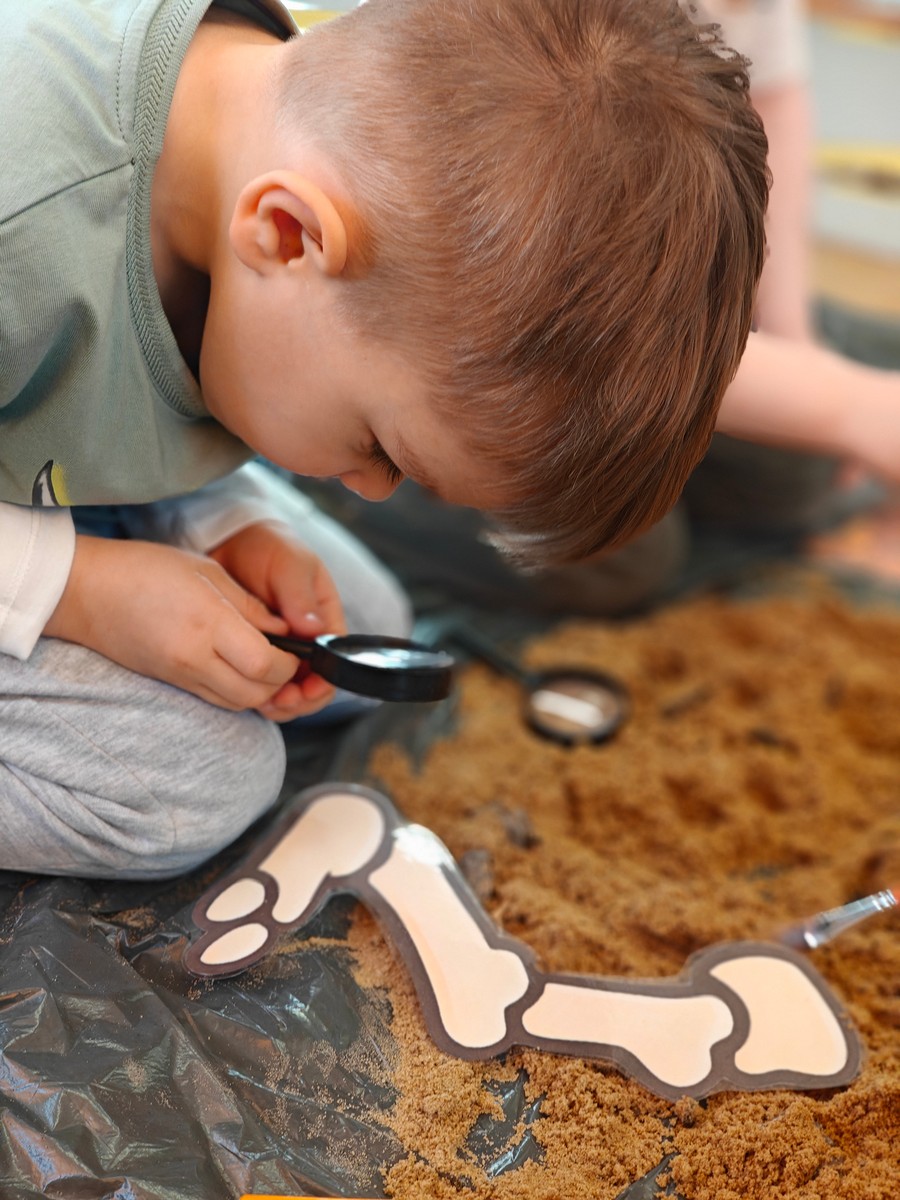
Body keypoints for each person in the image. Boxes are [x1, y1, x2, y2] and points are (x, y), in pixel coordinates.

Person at [0, 0, 769, 878]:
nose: (367, 489)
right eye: (382, 449)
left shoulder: (285, 146)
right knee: (193, 787)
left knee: (366, 629)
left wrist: (219, 517)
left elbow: (136, 388)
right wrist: (79, 591)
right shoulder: (24, 219)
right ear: (287, 234)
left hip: (41, 464)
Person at [317, 0, 900, 616]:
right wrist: (848, 406)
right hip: (503, 342)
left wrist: (794, 338)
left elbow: (775, 105)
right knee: (614, 565)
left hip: (642, 318)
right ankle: (333, 472)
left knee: (795, 471)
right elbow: (555, 315)